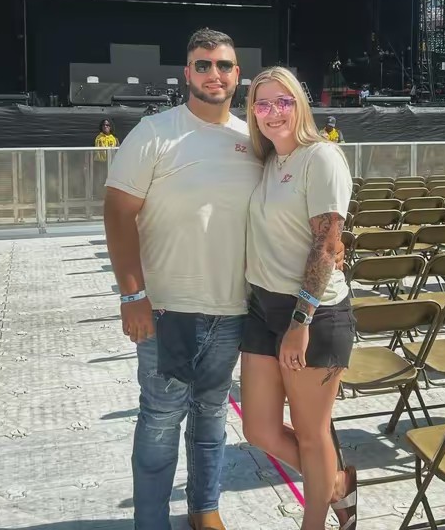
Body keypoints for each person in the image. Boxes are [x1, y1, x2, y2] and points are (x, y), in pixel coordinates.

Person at [103, 28, 264, 530]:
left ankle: (204, 509)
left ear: (238, 74)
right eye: (203, 64)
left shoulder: (252, 140)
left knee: (212, 416)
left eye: (224, 65)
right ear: (186, 72)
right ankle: (151, 521)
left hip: (231, 310)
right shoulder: (154, 132)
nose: (214, 74)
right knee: (159, 419)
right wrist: (132, 294)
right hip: (165, 309)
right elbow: (117, 212)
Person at [241, 66, 357, 530]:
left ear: (300, 105)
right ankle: (335, 484)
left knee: (312, 435)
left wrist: (300, 320)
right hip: (262, 308)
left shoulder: (321, 157)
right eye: (262, 104)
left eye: (283, 101)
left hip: (314, 314)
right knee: (259, 430)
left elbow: (327, 245)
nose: (273, 112)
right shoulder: (268, 160)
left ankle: (316, 521)